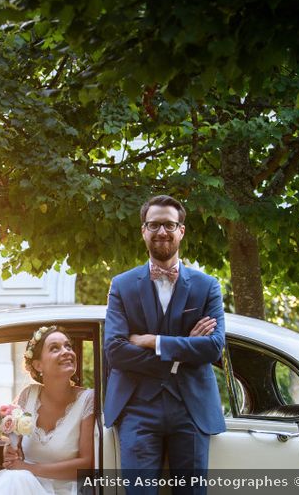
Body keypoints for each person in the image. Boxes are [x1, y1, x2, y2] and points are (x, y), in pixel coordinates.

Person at [104, 195, 226, 495]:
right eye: (154, 224)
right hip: (137, 409)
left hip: (191, 408)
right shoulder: (121, 285)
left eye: (169, 225)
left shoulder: (207, 286)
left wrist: (153, 341)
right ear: (143, 230)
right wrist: (181, 351)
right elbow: (115, 351)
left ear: (181, 230)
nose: (162, 232)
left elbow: (213, 348)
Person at [0, 325, 94, 495]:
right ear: (38, 365)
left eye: (68, 346)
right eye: (55, 348)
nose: (66, 351)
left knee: (18, 478)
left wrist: (28, 468)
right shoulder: (28, 395)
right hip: (22, 483)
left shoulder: (88, 399)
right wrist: (9, 451)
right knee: (17, 479)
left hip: (66, 489)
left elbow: (86, 464)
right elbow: (13, 443)